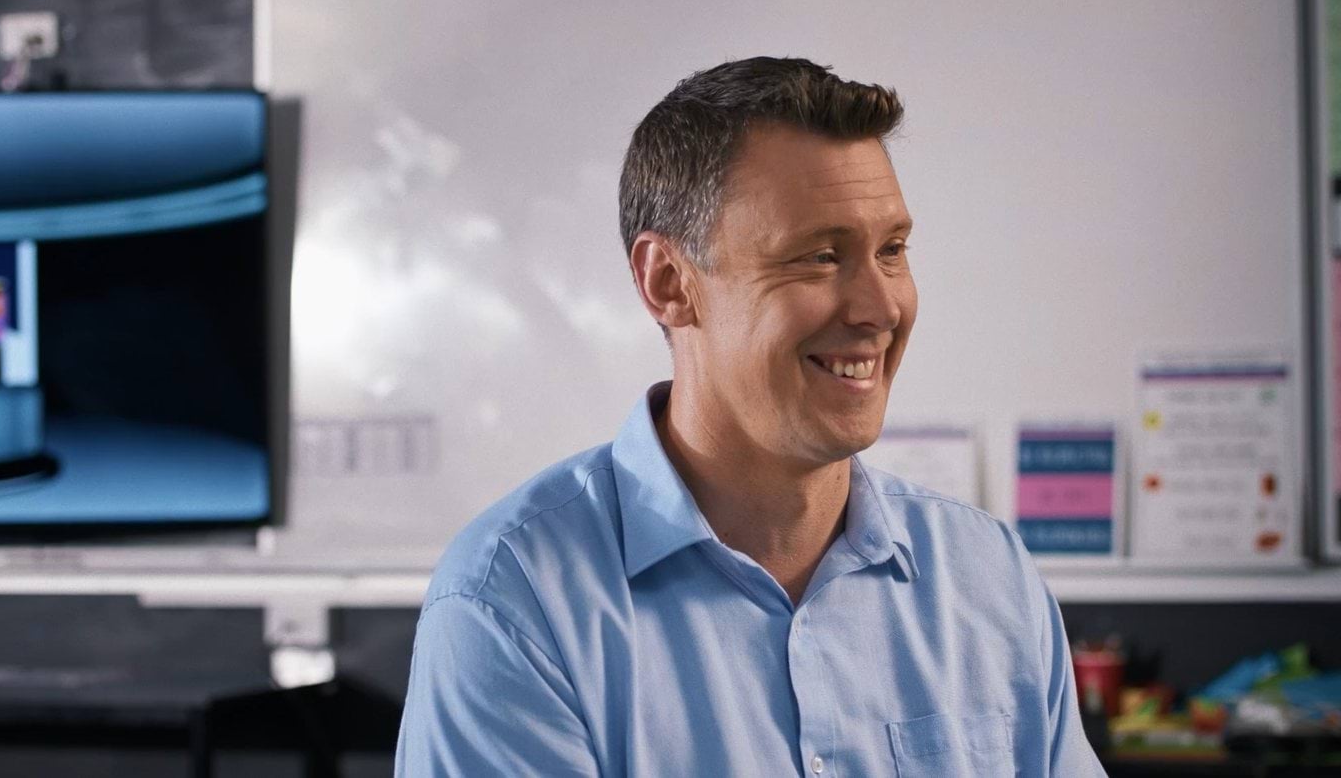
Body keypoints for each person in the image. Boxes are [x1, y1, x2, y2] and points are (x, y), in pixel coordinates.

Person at [395, 56, 1105, 777]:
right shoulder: (516, 602)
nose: (880, 307)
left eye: (891, 250)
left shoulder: (988, 579)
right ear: (670, 283)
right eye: (821, 256)